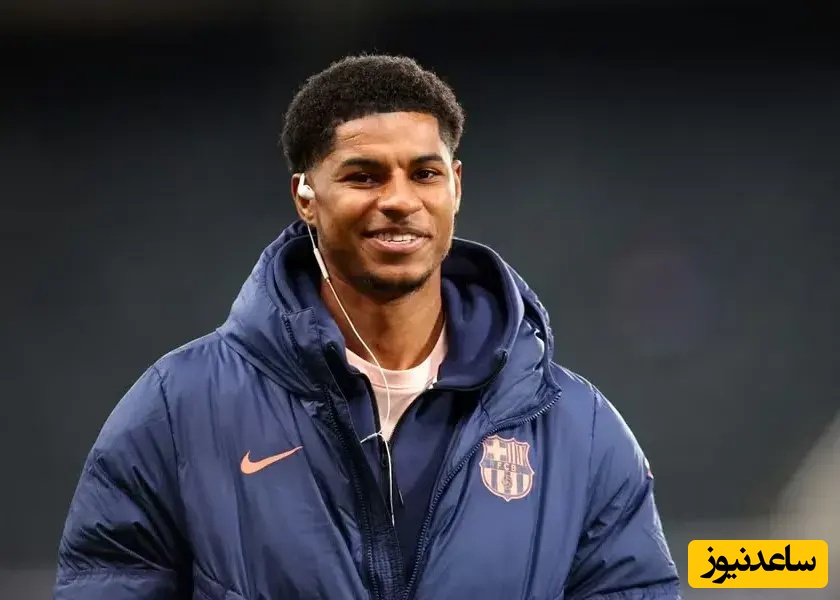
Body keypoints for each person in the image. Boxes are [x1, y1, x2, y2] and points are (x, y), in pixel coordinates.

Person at [54, 54, 681, 599]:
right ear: (305, 195)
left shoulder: (576, 428)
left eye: (424, 173)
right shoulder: (179, 409)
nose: (400, 200)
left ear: (455, 186)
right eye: (364, 175)